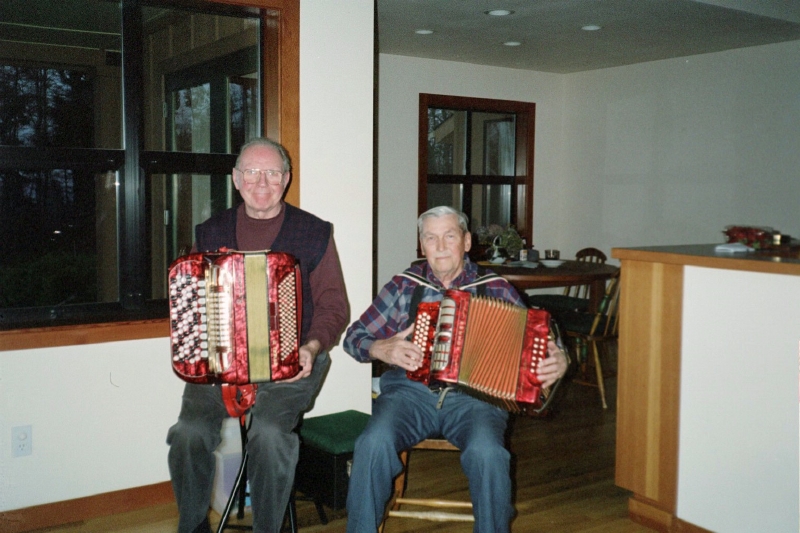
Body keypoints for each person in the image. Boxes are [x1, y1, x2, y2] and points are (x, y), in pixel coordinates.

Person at [342, 206, 568, 533]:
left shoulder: (496, 287)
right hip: (408, 395)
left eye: (450, 236)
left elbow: (542, 343)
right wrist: (380, 348)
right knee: (371, 443)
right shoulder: (403, 286)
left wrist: (560, 357)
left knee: (488, 454)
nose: (441, 246)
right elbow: (354, 338)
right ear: (422, 245)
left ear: (467, 242)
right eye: (431, 238)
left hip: (476, 401)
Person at [167, 138, 348, 533]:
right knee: (187, 434)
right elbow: (192, 302)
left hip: (293, 362)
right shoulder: (210, 231)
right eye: (251, 172)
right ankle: (193, 526)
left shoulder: (313, 232)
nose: (261, 182)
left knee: (268, 434)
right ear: (236, 179)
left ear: (286, 178)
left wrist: (311, 346)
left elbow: (334, 306)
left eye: (272, 173)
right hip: (220, 363)